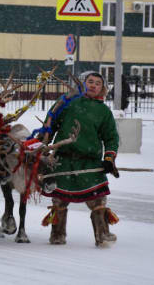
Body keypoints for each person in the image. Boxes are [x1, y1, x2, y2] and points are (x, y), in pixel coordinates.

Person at [42, 71, 120, 247]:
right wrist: (42, 147)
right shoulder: (68, 103)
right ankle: (57, 235)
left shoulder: (103, 112)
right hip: (63, 159)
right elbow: (50, 125)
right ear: (83, 84)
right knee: (60, 201)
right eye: (90, 81)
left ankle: (102, 235)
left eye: (97, 83)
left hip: (89, 162)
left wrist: (109, 158)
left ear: (103, 88)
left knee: (98, 201)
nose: (93, 85)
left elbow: (111, 138)